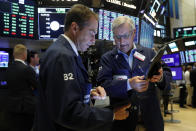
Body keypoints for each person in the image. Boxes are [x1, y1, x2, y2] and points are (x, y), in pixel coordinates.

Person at [35, 4, 131, 131]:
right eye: (92, 33)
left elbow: (62, 96)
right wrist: (111, 115)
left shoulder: (67, 53)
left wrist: (88, 94)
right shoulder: (62, 56)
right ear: (75, 28)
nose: (93, 40)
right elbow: (68, 112)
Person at [97, 16, 172, 131]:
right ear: (113, 35)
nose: (122, 42)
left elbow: (167, 76)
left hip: (151, 121)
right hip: (122, 122)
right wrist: (128, 84)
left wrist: (161, 77)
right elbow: (103, 87)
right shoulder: (107, 59)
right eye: (117, 37)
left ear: (134, 33)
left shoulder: (150, 53)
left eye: (125, 36)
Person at [5, 44, 37, 131]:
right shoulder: (27, 69)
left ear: (14, 55)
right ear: (24, 55)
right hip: (26, 107)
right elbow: (37, 86)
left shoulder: (8, 68)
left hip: (11, 106)